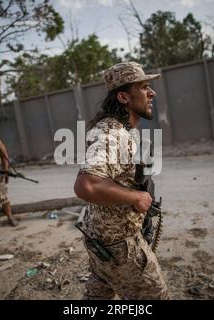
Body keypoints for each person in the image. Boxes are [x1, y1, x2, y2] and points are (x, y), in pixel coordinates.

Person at [73, 62, 170, 299]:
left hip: (101, 241)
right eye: (144, 87)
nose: (152, 92)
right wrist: (136, 196)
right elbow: (87, 185)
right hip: (120, 247)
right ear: (124, 97)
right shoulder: (112, 133)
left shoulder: (117, 129)